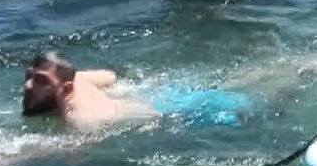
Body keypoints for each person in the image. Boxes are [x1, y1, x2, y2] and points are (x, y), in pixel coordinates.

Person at [20, 51, 253, 132]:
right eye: (28, 76)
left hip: (184, 113)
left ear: (66, 89)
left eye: (40, 80)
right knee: (245, 82)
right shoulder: (78, 79)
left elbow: (73, 151)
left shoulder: (81, 119)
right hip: (163, 95)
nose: (28, 86)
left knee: (256, 99)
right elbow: (109, 76)